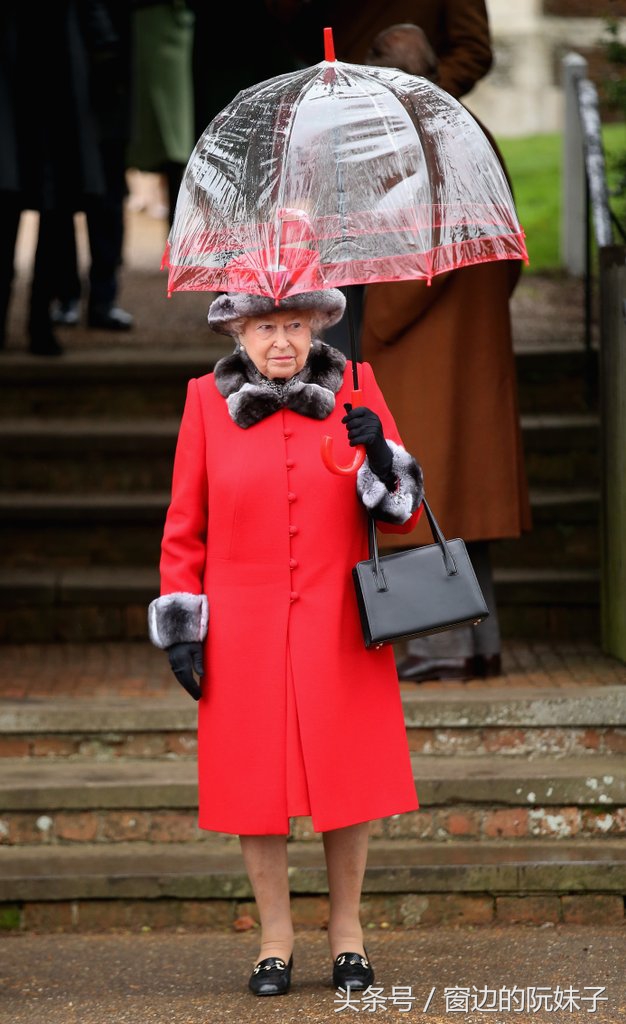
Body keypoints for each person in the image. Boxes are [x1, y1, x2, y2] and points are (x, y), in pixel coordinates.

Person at [148, 287, 424, 995]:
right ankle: (274, 941)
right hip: (243, 621)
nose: (281, 341)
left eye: (294, 325)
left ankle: (348, 937)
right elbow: (185, 520)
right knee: (253, 781)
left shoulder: (356, 389)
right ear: (238, 330)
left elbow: (402, 514)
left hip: (339, 617)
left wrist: (381, 456)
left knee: (348, 775)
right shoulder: (205, 402)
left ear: (317, 326)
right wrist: (184, 624)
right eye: (266, 326)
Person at [361, 23, 531, 682]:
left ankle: (437, 650)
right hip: (474, 340)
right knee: (466, 508)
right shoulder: (469, 130)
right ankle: (479, 647)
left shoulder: (417, 142)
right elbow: (510, 250)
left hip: (421, 346)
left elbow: (413, 266)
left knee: (425, 499)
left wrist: (371, 323)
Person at [0, 2, 113, 355]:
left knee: (51, 209)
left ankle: (38, 321)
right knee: (26, 207)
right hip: (35, 72)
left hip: (56, 79)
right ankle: (35, 323)